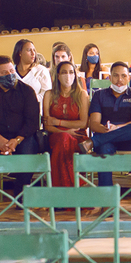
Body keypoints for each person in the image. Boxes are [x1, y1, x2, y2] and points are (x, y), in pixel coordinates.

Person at [88, 61, 131, 188]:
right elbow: (93, 124)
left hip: (130, 141)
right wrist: (106, 129)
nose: (119, 80)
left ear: (129, 78)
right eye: (116, 76)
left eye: (123, 76)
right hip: (106, 139)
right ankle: (106, 195)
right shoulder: (99, 95)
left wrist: (116, 128)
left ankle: (94, 141)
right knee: (104, 148)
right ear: (110, 77)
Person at [42, 60, 89, 188]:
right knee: (63, 139)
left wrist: (57, 122)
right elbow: (47, 125)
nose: (68, 75)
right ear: (57, 76)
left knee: (65, 141)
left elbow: (83, 123)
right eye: (64, 72)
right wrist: (64, 131)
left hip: (78, 136)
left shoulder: (82, 94)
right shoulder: (49, 94)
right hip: (55, 136)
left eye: (71, 72)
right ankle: (73, 186)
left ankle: (58, 188)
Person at [12, 39, 52, 106]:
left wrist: (28, 100)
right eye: (29, 50)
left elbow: (46, 94)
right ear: (20, 53)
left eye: (34, 50)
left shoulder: (41, 70)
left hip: (36, 109)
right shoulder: (11, 72)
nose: (33, 53)